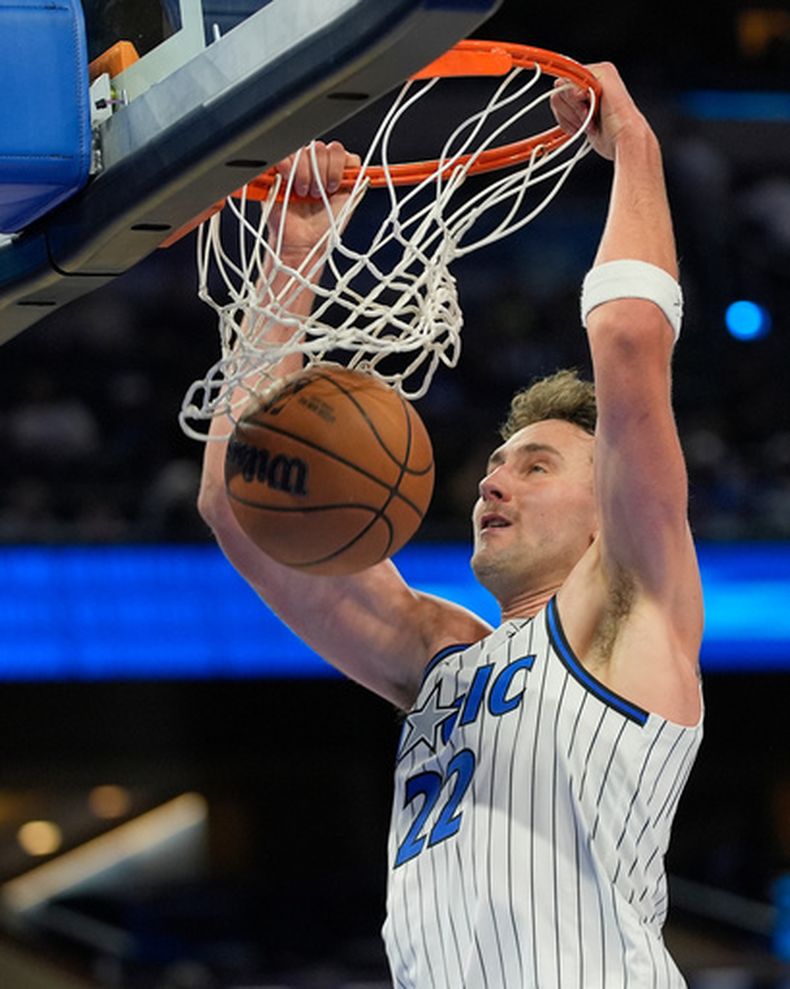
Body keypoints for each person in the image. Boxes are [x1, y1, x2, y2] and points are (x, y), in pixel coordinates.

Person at [197, 62, 703, 989]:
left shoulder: (632, 610)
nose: (492, 484)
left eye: (536, 464)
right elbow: (240, 502)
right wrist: (297, 255)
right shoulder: (439, 656)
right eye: (494, 466)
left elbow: (630, 342)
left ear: (610, 510)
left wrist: (633, 146)